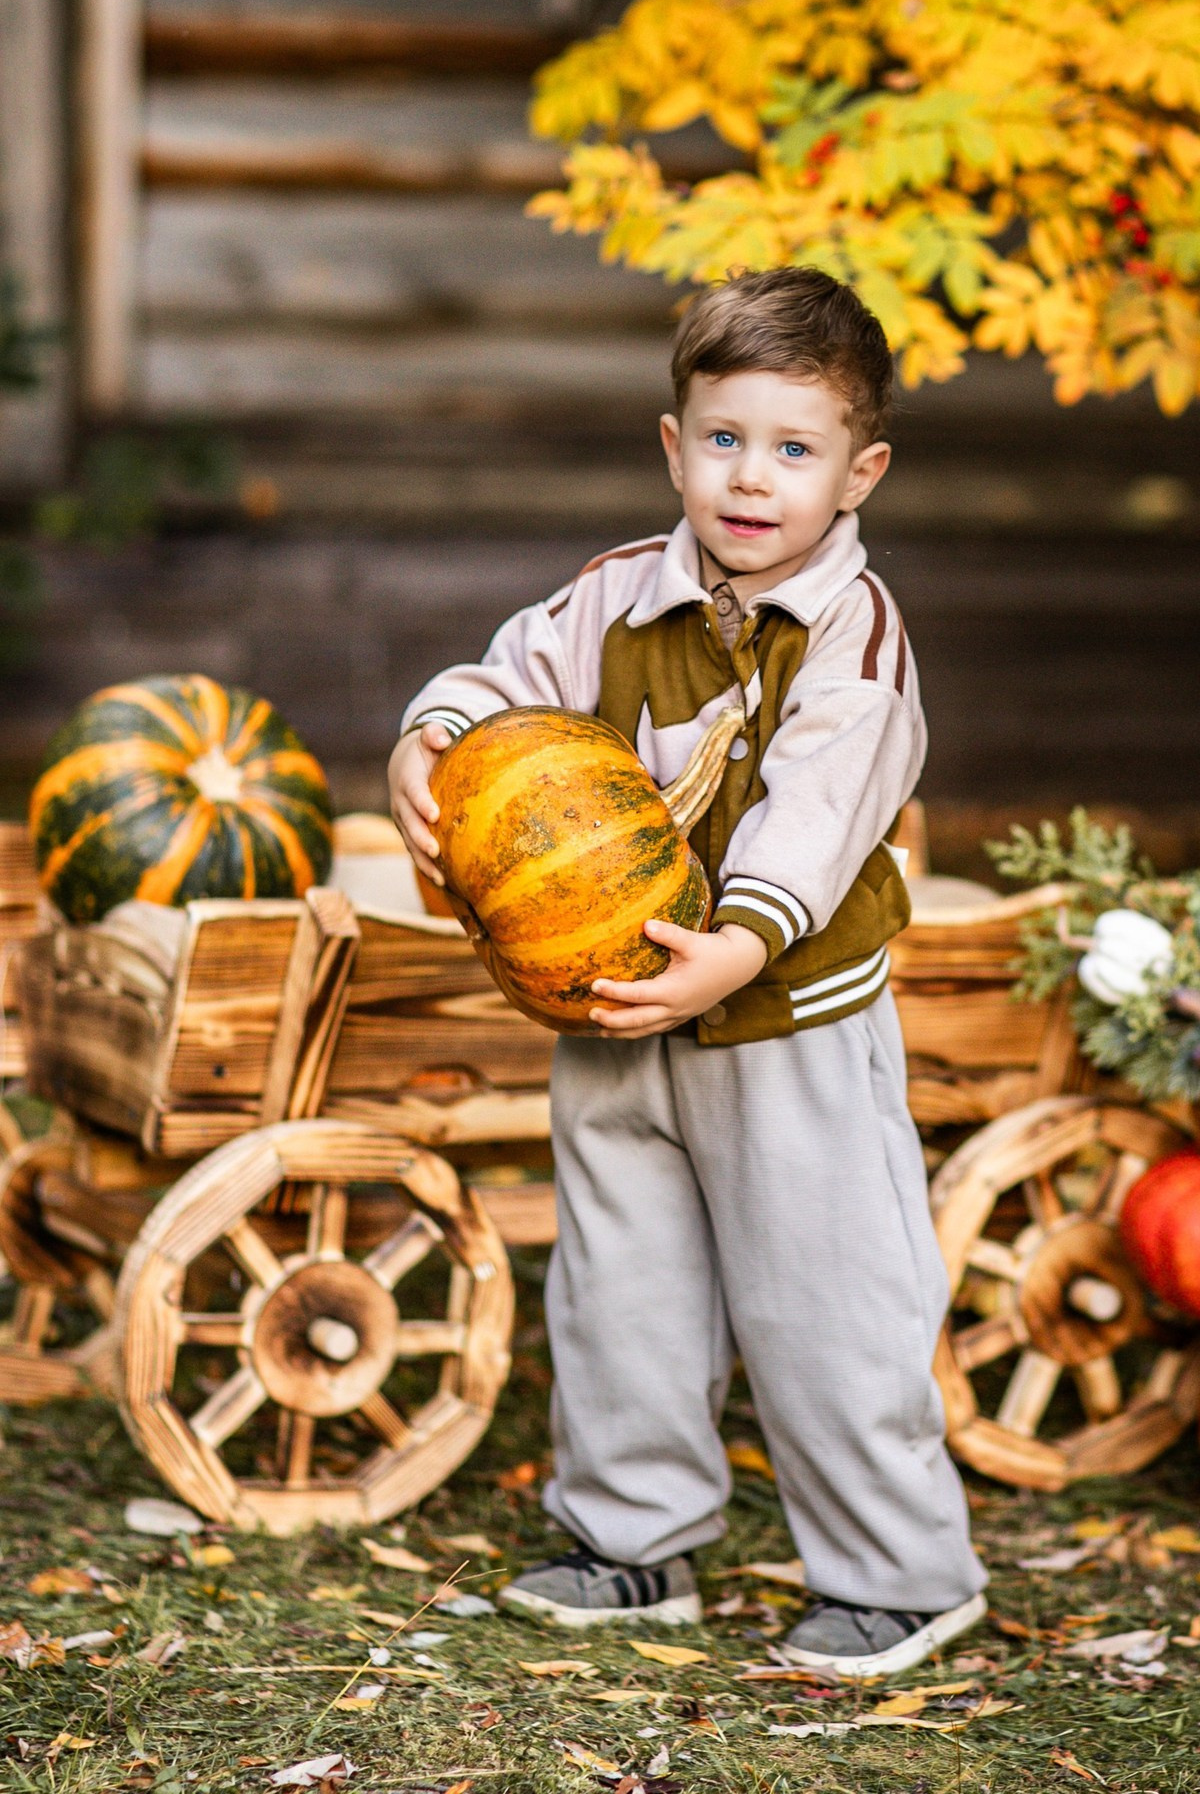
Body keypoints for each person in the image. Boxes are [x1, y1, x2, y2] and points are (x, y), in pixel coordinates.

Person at [389, 267, 987, 1677]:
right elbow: (502, 679)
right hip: (609, 1009)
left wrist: (738, 940)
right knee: (621, 1283)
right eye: (723, 440)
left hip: (785, 1018)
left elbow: (825, 800)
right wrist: (430, 739)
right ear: (675, 447)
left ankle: (903, 1572)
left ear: (860, 473)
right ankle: (631, 1541)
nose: (752, 479)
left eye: (795, 449)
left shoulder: (855, 634)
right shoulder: (611, 599)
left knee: (827, 1289)